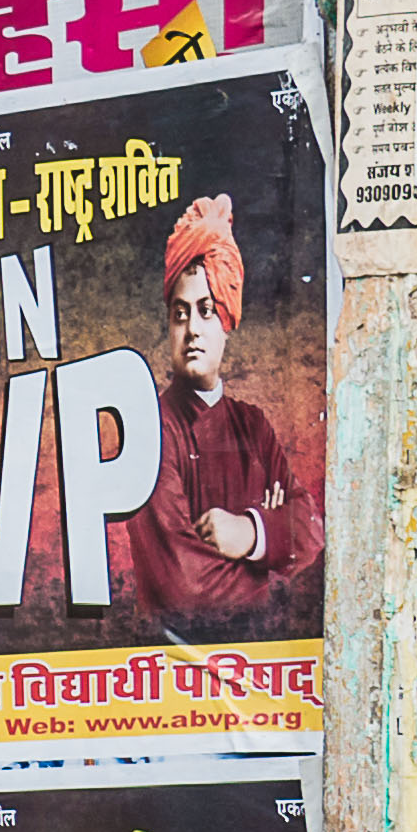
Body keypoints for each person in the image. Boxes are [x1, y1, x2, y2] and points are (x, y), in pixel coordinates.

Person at [138, 191, 317, 640]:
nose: (193, 328)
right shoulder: (151, 428)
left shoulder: (253, 427)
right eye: (180, 315)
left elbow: (311, 531)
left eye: (206, 311)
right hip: (166, 674)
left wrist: (248, 532)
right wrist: (273, 565)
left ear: (227, 324)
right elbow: (183, 583)